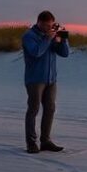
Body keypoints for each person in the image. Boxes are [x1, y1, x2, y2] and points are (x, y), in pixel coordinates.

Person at [22, 10, 70, 154]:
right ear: (39, 23)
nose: (49, 28)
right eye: (46, 26)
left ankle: (46, 141)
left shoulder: (51, 34)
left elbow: (65, 54)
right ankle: (31, 143)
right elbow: (36, 52)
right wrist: (48, 39)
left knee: (50, 109)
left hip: (51, 79)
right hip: (35, 79)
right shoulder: (29, 36)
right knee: (33, 109)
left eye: (51, 25)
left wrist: (62, 40)